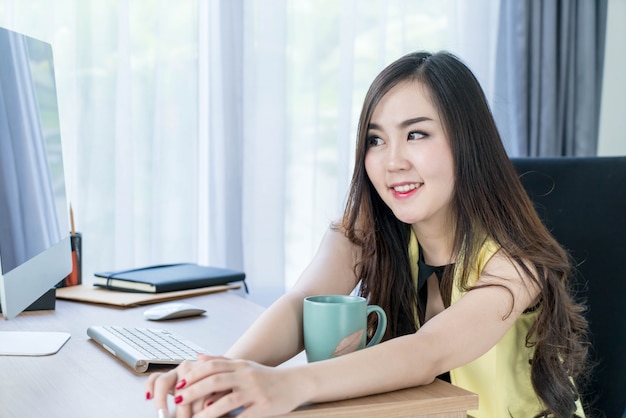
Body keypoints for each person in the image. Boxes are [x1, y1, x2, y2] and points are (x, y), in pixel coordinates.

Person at [145, 51, 590, 418]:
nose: (391, 160)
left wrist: (285, 385)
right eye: (376, 140)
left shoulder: (514, 264)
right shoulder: (367, 230)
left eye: (416, 134)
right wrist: (221, 376)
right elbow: (301, 305)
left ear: (467, 142)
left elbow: (429, 351)